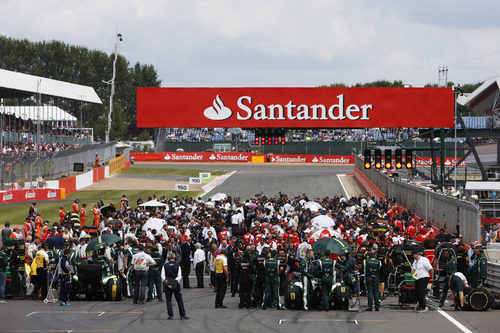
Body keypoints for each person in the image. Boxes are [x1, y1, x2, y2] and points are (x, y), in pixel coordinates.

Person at [161, 252, 189, 320]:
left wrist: (168, 283)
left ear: (168, 258)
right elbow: (179, 276)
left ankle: (170, 315)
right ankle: (182, 315)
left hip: (168, 285)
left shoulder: (165, 265)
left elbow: (162, 276)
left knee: (168, 300)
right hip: (176, 285)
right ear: (174, 258)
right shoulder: (177, 265)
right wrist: (174, 283)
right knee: (179, 300)